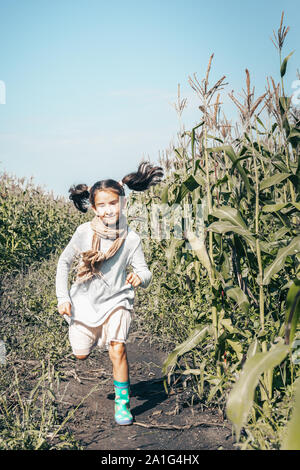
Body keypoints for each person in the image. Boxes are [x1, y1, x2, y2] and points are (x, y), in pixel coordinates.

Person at [55, 161, 163, 426]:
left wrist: (140, 278)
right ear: (93, 208)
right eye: (101, 205)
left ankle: (122, 404)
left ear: (123, 203)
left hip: (117, 302)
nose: (107, 210)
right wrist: (63, 298)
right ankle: (91, 335)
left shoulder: (131, 239)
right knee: (80, 354)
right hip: (84, 302)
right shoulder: (83, 232)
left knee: (118, 350)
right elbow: (63, 262)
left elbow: (145, 271)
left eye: (112, 203)